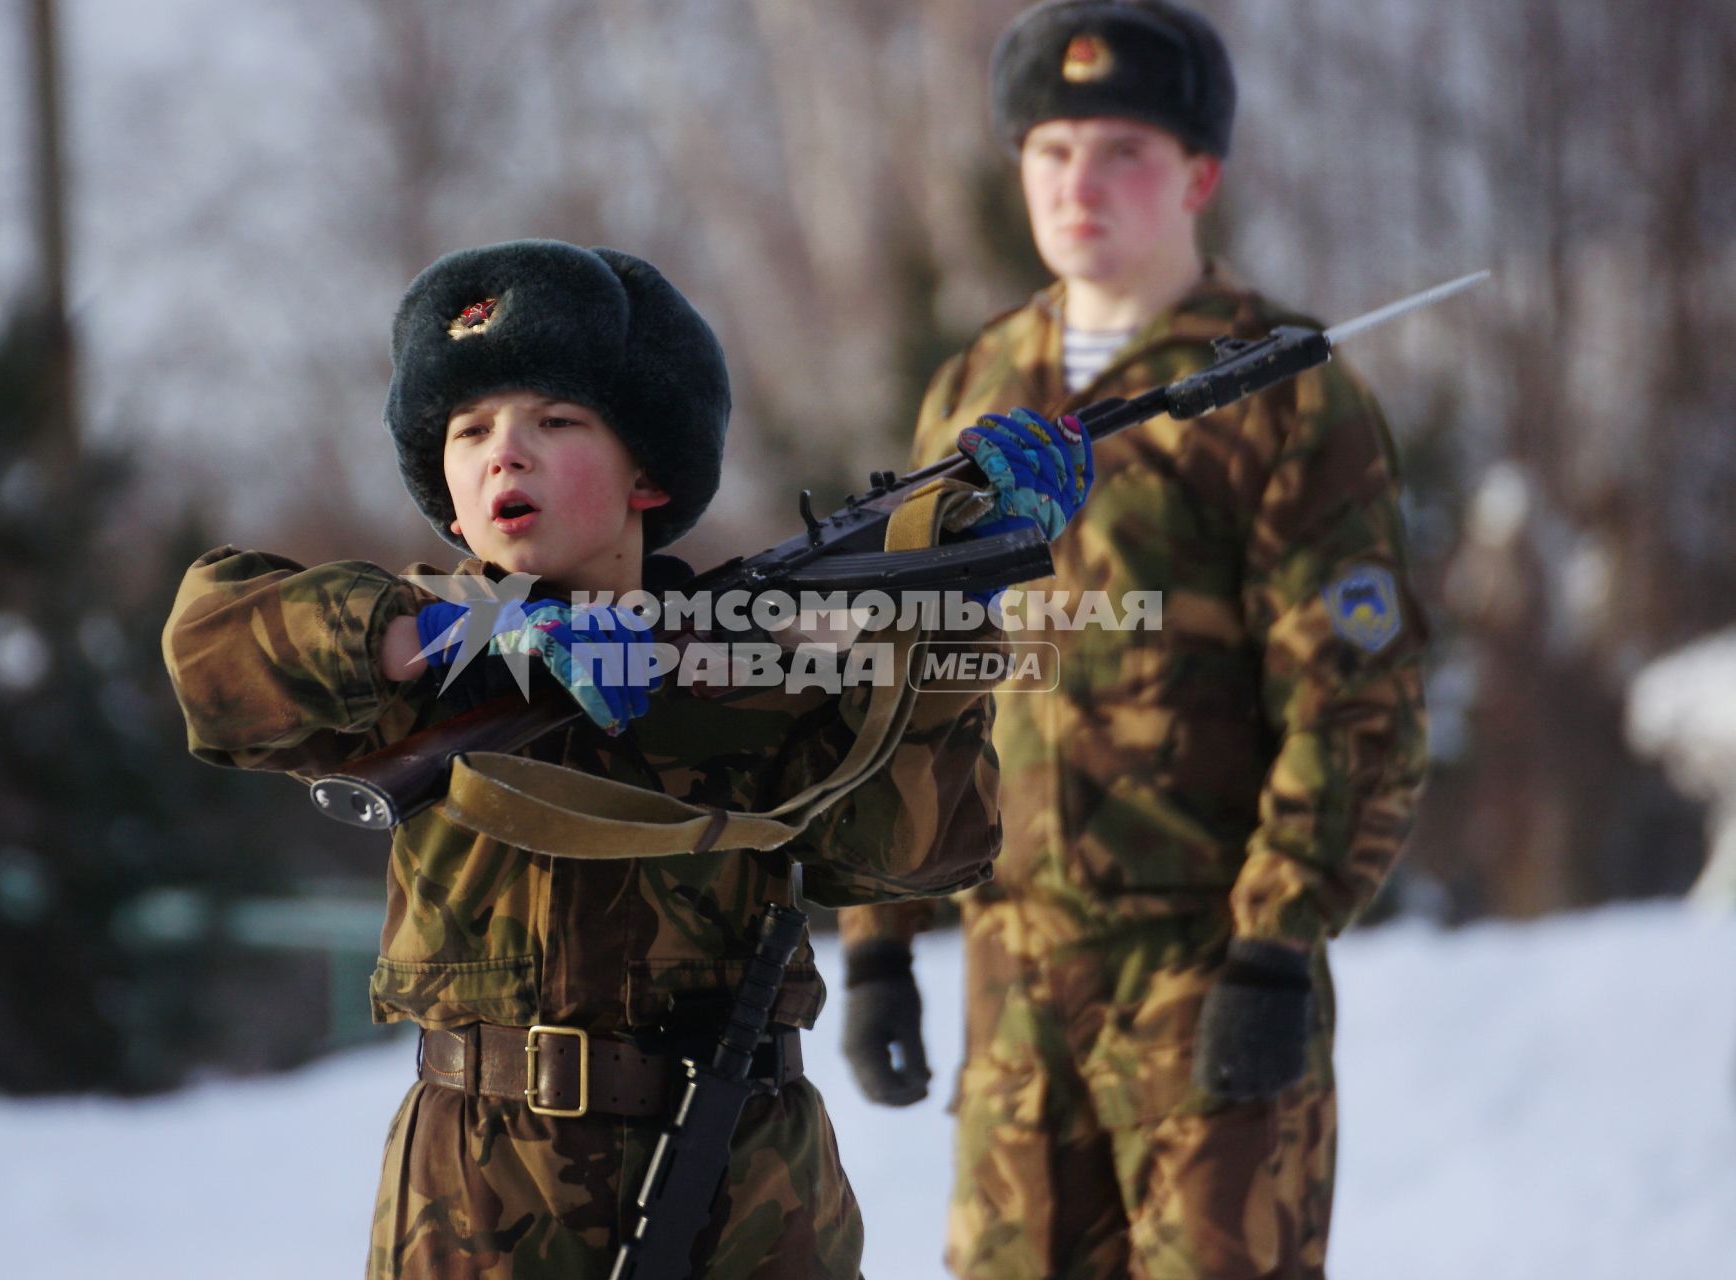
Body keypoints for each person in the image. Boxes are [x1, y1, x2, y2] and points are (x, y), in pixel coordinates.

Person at [161, 239, 1091, 1279]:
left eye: (554, 421)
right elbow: (211, 649)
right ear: (449, 496)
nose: (503, 452)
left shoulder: (755, 660)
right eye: (467, 432)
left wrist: (946, 625)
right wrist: (455, 638)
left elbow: (909, 856)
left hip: (742, 1173)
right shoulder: (417, 664)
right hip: (482, 1185)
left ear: (647, 470)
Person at [836, 3, 1429, 1277]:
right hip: (1015, 988)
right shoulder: (975, 387)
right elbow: (906, 674)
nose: (1078, 183)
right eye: (1050, 152)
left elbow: (1353, 698)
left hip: (1205, 972)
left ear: (1197, 174)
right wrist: (875, 942)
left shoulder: (1280, 387)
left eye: (1119, 150)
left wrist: (1276, 944)